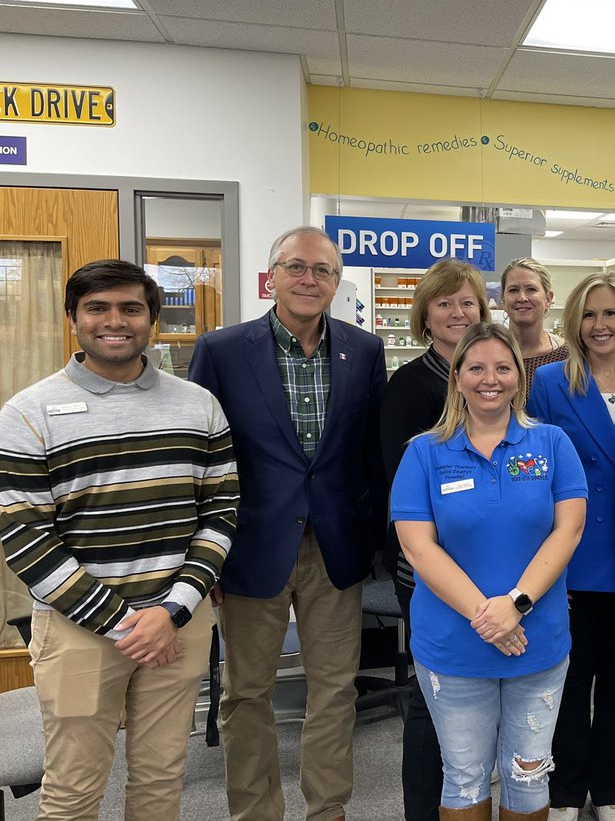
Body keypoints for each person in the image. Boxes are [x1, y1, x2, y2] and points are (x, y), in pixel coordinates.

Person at [0, 259, 238, 820]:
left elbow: (221, 510)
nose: (115, 321)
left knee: (161, 780)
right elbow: (23, 534)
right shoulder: (27, 413)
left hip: (176, 621)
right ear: (72, 318)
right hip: (80, 628)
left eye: (131, 308)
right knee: (73, 790)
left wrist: (172, 611)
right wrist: (123, 622)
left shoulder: (197, 404)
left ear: (151, 318)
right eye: (97, 308)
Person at [189, 226, 387, 821]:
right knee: (246, 693)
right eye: (296, 267)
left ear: (336, 281)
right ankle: (256, 814)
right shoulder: (222, 349)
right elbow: (203, 456)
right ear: (271, 275)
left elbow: (370, 456)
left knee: (335, 690)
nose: (309, 279)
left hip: (335, 547)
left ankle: (328, 811)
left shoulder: (364, 349)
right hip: (250, 547)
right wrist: (206, 556)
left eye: (323, 271)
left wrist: (374, 538)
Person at [392, 322, 587, 821]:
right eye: (475, 367)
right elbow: (418, 548)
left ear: (520, 378)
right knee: (463, 776)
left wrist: (516, 605)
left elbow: (567, 532)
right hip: (454, 645)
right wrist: (489, 616)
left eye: (503, 367)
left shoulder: (552, 444)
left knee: (528, 775)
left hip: (536, 641)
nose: (490, 379)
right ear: (456, 377)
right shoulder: (424, 452)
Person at [527, 271, 615, 821]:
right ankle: (564, 793)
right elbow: (532, 472)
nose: (599, 325)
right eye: (589, 315)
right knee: (566, 684)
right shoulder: (549, 385)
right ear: (573, 322)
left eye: (610, 313)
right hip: (569, 560)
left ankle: (611, 792)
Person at [379, 257, 490, 821]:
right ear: (424, 314)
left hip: (493, 571)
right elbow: (406, 496)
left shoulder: (493, 377)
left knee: (479, 698)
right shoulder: (409, 385)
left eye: (467, 302)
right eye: (444, 303)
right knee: (434, 698)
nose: (457, 312)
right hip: (428, 569)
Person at [502, 258, 569, 392]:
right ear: (503, 299)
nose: (522, 298)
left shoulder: (568, 357)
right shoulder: (488, 353)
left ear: (548, 299)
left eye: (531, 289)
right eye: (513, 290)